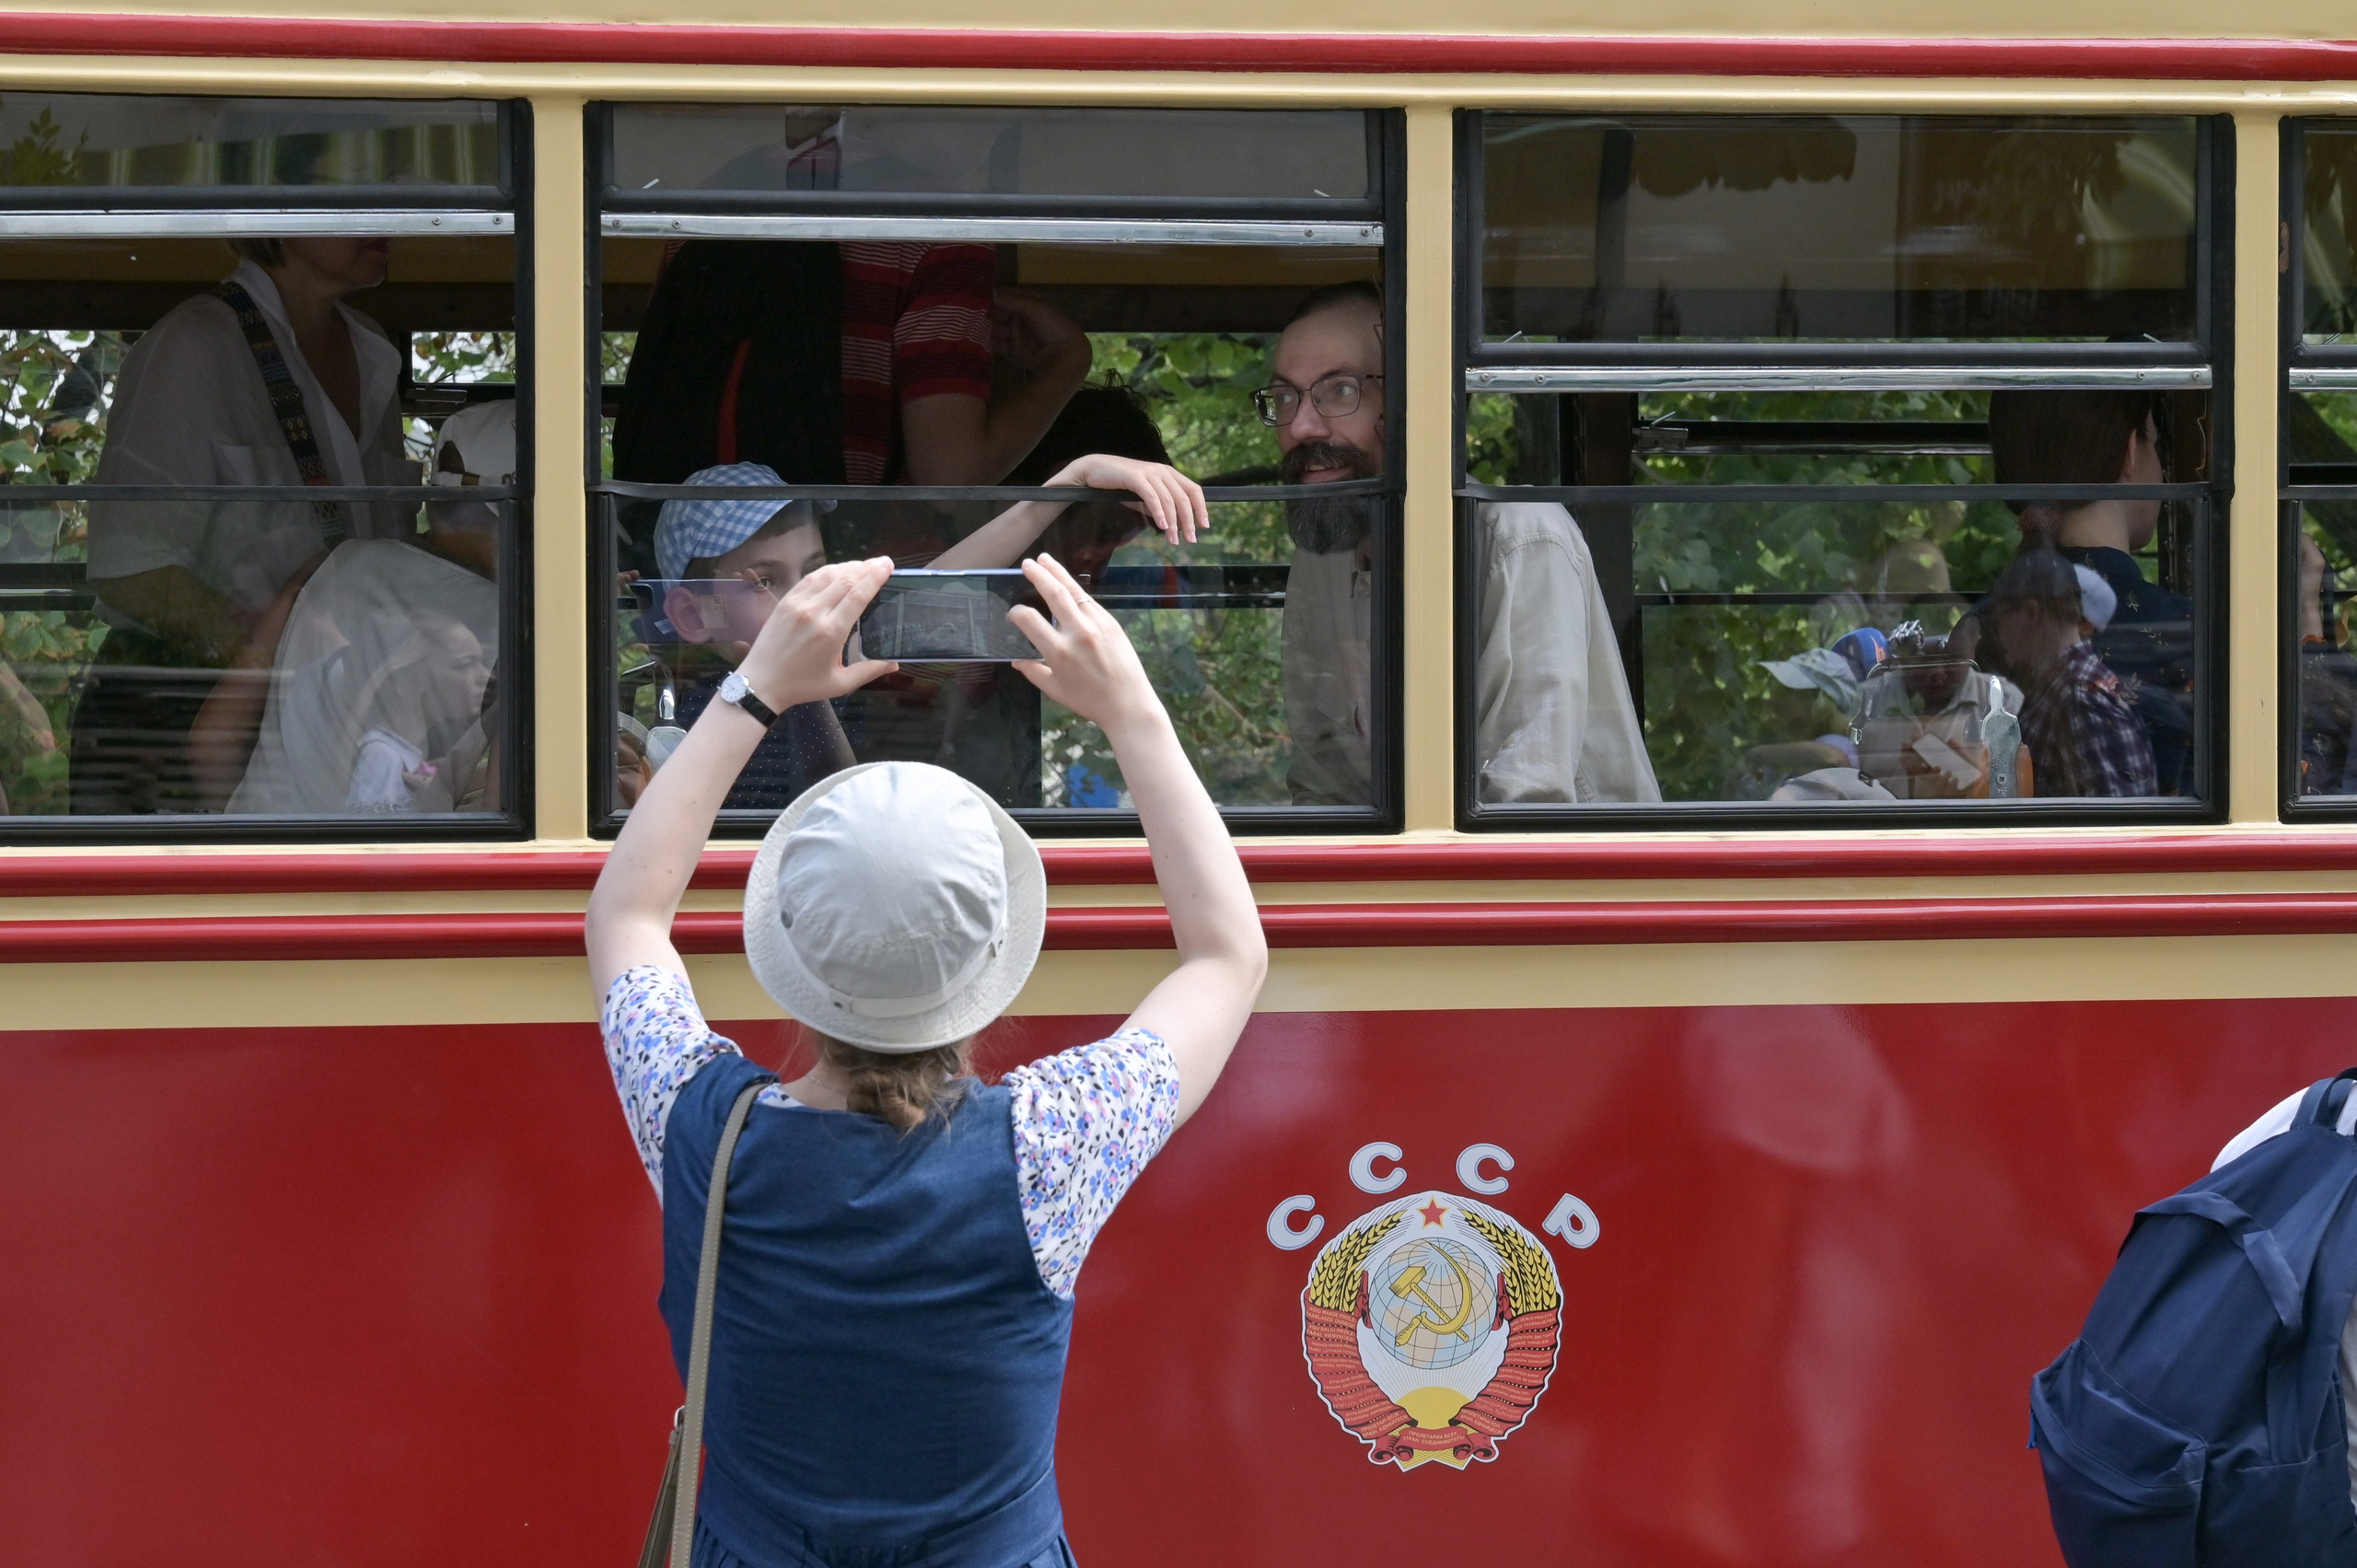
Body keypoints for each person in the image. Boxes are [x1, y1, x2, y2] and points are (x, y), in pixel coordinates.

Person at [584, 552, 1267, 1568]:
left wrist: (754, 686)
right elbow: (1227, 953)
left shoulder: (702, 1130)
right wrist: (1130, 710)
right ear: (996, 952)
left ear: (790, 944)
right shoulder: (1050, 1143)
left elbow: (627, 910)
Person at [1263, 281, 1657, 807]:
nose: (1302, 426)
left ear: (1414, 402)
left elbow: (1525, 804)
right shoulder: (1325, 553)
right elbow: (1322, 786)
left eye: (1339, 391)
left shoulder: (1520, 538)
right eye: (1285, 397)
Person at [645, 450, 1202, 811]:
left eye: (813, 570)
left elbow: (938, 586)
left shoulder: (838, 644)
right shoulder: (689, 726)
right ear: (695, 616)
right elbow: (839, 809)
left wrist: (1066, 483)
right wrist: (790, 696)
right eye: (765, 581)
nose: (802, 599)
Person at [75, 237, 414, 814]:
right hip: (177, 722)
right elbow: (130, 571)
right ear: (282, 210)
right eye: (353, 190)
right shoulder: (195, 344)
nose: (385, 216)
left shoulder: (372, 347)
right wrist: (277, 667)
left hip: (329, 718)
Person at [1965, 389, 2195, 795]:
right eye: (2155, 446)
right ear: (2130, 451)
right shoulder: (2186, 629)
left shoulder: (1972, 631)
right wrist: (2306, 619)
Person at [1986, 547, 2155, 798]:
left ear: (2030, 613)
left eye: (1999, 619)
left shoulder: (2081, 698)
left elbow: (2116, 827)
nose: (1997, 634)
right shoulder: (2062, 687)